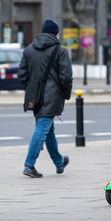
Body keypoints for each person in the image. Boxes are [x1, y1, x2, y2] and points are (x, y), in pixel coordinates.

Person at [17, 19, 73, 178]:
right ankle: (29, 164)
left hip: (35, 96)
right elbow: (66, 77)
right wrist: (65, 94)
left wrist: (32, 88)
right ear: (56, 33)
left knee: (48, 131)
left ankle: (59, 161)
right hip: (52, 96)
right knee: (42, 129)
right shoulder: (60, 50)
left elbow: (22, 75)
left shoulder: (28, 50)